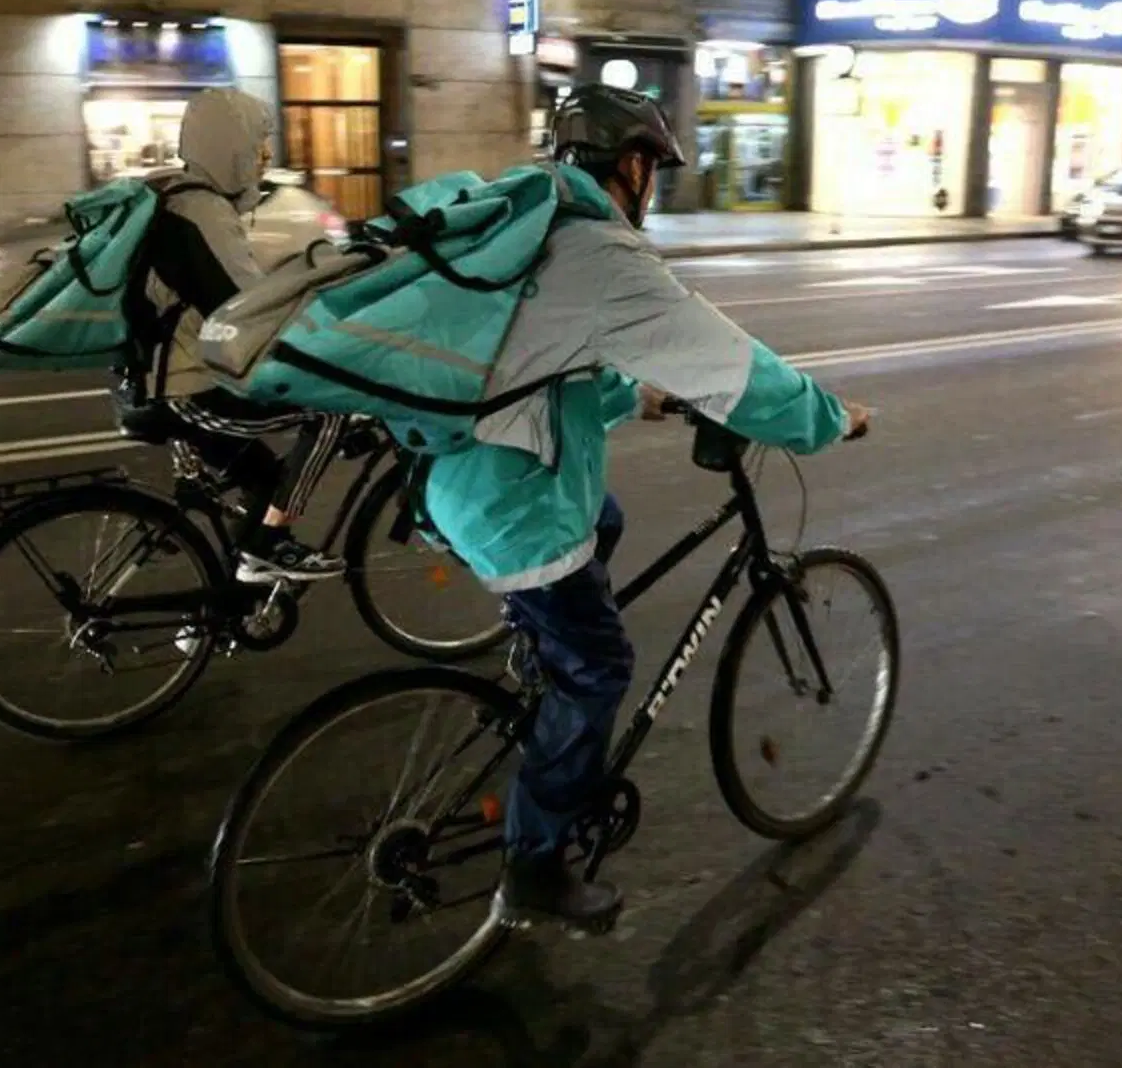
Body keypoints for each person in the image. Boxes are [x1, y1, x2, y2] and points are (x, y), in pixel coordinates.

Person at [416, 85, 871, 930]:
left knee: (608, 523)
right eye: (653, 170)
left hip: (464, 482)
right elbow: (736, 368)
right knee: (600, 668)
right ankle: (534, 866)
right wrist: (830, 417)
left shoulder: (538, 234)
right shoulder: (603, 255)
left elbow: (558, 367)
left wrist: (651, 401)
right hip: (513, 507)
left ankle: (538, 665)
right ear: (632, 166)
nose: (652, 188)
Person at [114, 87, 348, 582]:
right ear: (230, 146)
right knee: (330, 412)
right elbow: (245, 314)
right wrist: (319, 340)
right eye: (258, 145)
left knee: (264, 477)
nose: (264, 158)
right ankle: (268, 545)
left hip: (158, 381)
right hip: (186, 390)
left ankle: (235, 598)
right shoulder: (202, 213)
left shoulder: (177, 197)